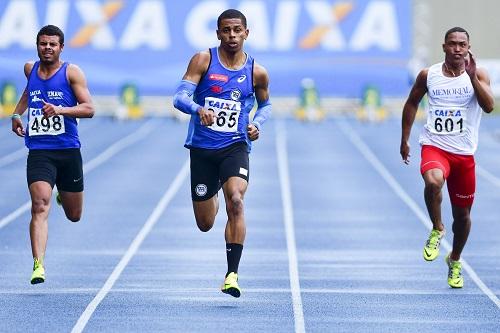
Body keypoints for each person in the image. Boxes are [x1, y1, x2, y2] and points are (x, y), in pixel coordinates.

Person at [173, 9, 271, 298]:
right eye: (226, 30)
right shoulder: (203, 60)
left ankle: (232, 274)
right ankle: (212, 190)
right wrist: (197, 109)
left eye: (237, 30)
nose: (232, 36)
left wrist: (256, 124)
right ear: (218, 33)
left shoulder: (257, 71)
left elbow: (265, 106)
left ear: (246, 33)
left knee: (237, 201)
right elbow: (179, 97)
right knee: (205, 224)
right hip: (203, 149)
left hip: (235, 147)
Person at [400, 27, 494, 288]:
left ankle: (455, 259)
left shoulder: (479, 74)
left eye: (462, 44)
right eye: (452, 44)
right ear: (444, 47)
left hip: (463, 155)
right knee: (433, 182)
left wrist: (472, 77)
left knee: (462, 218)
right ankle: (437, 228)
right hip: (435, 146)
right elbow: (411, 103)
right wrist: (405, 139)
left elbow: (489, 106)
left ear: (468, 47)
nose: (457, 49)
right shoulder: (428, 75)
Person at [11, 25, 95, 284]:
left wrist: (60, 110)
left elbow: (89, 108)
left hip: (68, 151)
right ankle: (39, 265)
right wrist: (16, 113)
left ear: (61, 48)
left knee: (74, 214)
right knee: (39, 205)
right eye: (43, 44)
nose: (47, 48)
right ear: (37, 46)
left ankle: (63, 194)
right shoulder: (30, 69)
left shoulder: (72, 72)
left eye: (52, 44)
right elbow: (28, 92)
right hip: (39, 151)